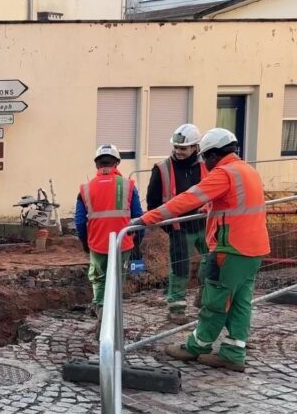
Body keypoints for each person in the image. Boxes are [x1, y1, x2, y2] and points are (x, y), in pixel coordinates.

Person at [132, 128, 269, 372]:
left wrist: (146, 219)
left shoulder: (224, 173)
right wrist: (211, 210)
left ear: (214, 154)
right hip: (253, 249)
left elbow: (187, 199)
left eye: (206, 156)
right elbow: (234, 204)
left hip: (231, 248)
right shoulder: (247, 170)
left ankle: (196, 346)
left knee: (216, 299)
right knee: (240, 302)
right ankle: (233, 351)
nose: (204, 161)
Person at [75, 144, 144, 331]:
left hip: (97, 244)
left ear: (97, 164)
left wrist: (84, 243)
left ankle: (100, 311)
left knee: (99, 280)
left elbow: (80, 222)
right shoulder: (128, 186)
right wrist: (137, 241)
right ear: (117, 163)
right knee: (117, 281)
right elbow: (139, 217)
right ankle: (111, 320)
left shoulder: (85, 189)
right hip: (123, 243)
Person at [146, 124, 208, 324]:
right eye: (176, 147)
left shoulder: (205, 166)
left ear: (195, 147)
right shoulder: (162, 169)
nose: (178, 152)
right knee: (180, 268)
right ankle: (176, 307)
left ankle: (205, 295)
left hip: (205, 223)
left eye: (183, 148)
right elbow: (153, 201)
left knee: (214, 261)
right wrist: (168, 226)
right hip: (179, 227)